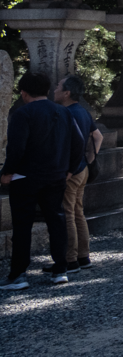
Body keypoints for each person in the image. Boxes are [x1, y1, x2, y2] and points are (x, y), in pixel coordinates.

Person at [2, 71, 73, 289]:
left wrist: (7, 171)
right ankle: (60, 269)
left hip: (26, 175)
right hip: (56, 173)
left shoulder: (23, 114)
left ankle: (19, 273)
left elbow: (16, 148)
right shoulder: (63, 112)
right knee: (56, 220)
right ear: (47, 90)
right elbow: (77, 141)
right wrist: (70, 167)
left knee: (22, 225)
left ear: (24, 93)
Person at [55, 74, 101, 272]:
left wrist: (70, 168)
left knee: (68, 213)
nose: (54, 90)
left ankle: (70, 259)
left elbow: (70, 144)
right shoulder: (83, 111)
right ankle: (83, 256)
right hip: (82, 168)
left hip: (71, 170)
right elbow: (98, 137)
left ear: (67, 93)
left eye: (58, 87)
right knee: (78, 212)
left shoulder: (66, 113)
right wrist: (89, 160)